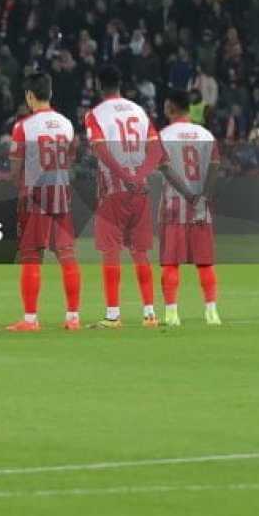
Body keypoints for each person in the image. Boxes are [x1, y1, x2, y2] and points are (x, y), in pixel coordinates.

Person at [83, 64, 162, 328]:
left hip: (113, 189)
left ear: (98, 85)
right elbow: (156, 150)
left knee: (111, 250)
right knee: (140, 252)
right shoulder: (139, 111)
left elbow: (101, 150)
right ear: (121, 85)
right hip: (140, 189)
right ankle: (149, 313)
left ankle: (113, 315)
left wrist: (124, 176)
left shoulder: (94, 114)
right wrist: (140, 175)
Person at [4, 72, 82, 332]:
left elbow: (15, 171)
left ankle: (30, 319)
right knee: (66, 255)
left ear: (29, 96)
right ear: (51, 93)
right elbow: (71, 158)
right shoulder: (66, 124)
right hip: (61, 193)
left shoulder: (23, 127)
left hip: (35, 197)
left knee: (31, 256)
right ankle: (73, 317)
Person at [157, 89, 221, 327]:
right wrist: (203, 197)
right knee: (205, 262)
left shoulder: (162, 136)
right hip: (201, 207)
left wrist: (187, 195)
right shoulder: (206, 134)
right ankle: (211, 312)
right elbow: (215, 166)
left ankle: (172, 314)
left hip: (173, 205)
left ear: (171, 108)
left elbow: (163, 167)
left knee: (171, 262)